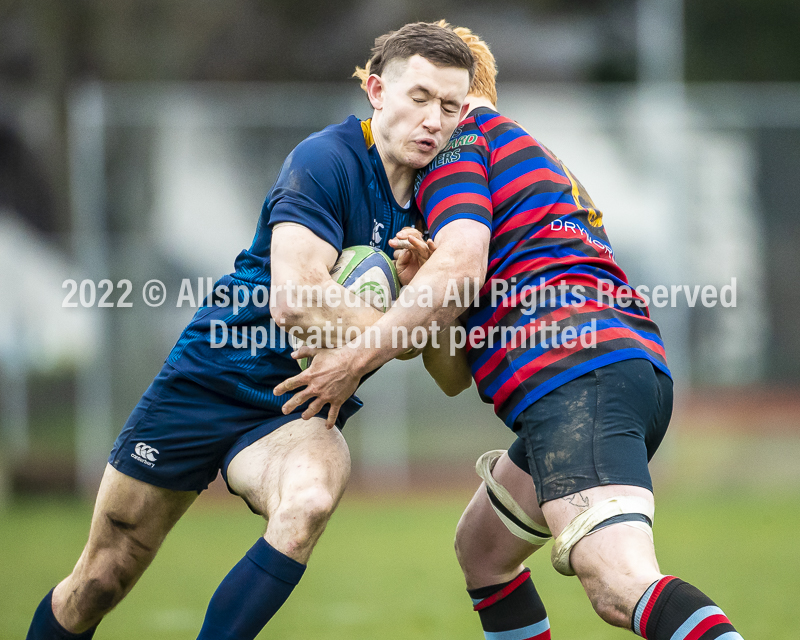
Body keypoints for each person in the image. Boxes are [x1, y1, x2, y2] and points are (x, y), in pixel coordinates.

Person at [276, 25, 744, 640]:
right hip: (623, 368)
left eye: (438, 101)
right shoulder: (533, 157)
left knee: (619, 582)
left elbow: (464, 266)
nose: (428, 120)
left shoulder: (461, 144)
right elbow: (455, 370)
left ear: (465, 98)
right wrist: (426, 292)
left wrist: (354, 358)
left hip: (575, 375)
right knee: (483, 551)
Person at [25, 21, 475, 640]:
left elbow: (451, 378)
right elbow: (294, 301)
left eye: (450, 107)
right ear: (376, 91)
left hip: (299, 404)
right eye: (420, 97)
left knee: (309, 501)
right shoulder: (327, 159)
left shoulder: (443, 206)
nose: (434, 120)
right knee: (101, 578)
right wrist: (404, 323)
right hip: (213, 374)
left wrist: (435, 303)